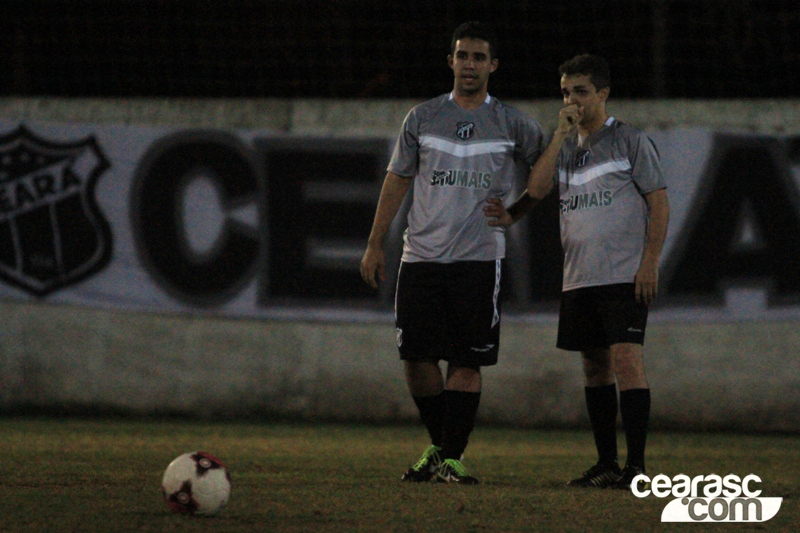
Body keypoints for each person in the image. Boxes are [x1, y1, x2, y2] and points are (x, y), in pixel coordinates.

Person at [360, 21, 544, 484]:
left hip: (480, 258)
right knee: (417, 361)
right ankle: (444, 449)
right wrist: (374, 243)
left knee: (467, 361)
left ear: (493, 66)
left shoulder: (512, 122)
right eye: (462, 56)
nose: (470, 64)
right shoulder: (421, 118)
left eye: (479, 57)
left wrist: (516, 212)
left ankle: (451, 457)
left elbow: (546, 170)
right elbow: (398, 179)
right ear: (451, 62)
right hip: (420, 256)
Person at [522, 54, 670, 490]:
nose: (572, 99)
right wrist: (560, 134)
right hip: (579, 275)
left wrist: (649, 262)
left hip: (623, 274)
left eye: (581, 91)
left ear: (603, 94)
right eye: (566, 91)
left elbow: (659, 203)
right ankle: (606, 463)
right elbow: (536, 189)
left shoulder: (629, 140)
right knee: (594, 367)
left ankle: (637, 468)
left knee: (626, 359)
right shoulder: (564, 147)